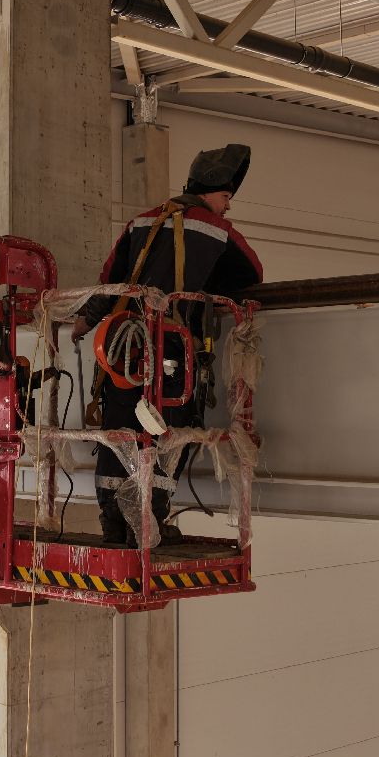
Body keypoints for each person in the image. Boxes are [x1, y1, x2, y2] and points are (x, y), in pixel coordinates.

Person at [72, 143, 263, 546]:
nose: (227, 206)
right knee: (166, 433)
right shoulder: (215, 228)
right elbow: (252, 271)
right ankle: (149, 524)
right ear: (213, 189)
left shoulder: (142, 222)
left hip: (123, 349)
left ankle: (113, 524)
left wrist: (86, 319)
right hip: (171, 353)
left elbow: (111, 277)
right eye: (227, 197)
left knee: (119, 432)